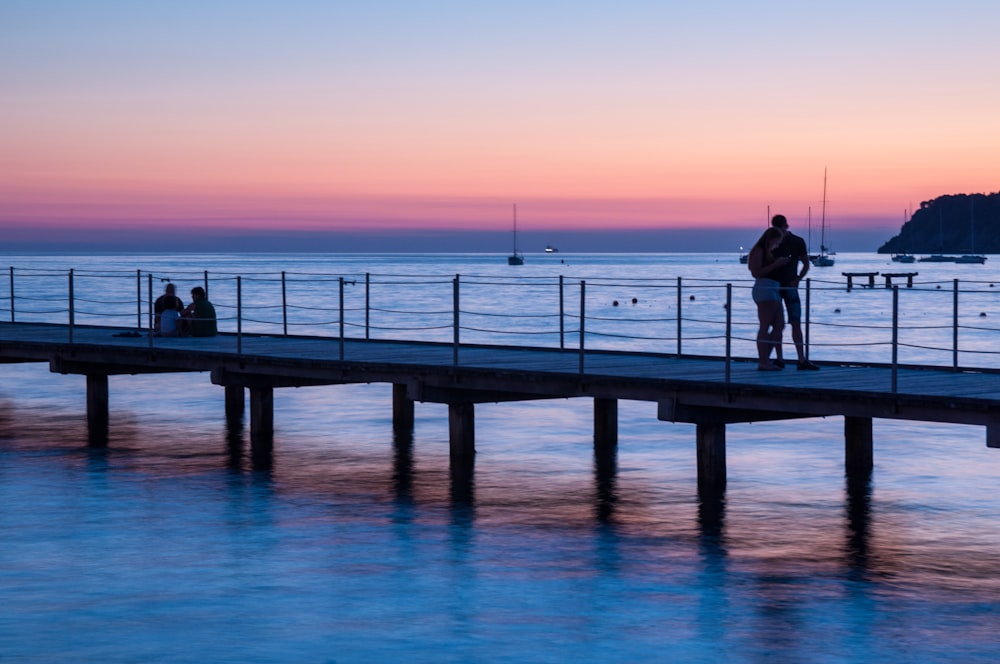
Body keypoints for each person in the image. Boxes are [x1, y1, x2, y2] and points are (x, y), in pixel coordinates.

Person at [770, 214, 820, 370]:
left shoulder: (797, 241)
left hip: (790, 286)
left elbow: (806, 264)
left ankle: (801, 359)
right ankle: (780, 358)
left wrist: (798, 279)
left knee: (795, 323)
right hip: (774, 287)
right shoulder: (771, 241)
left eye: (781, 229)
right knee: (777, 324)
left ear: (786, 226)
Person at [747, 226, 790, 370]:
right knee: (765, 326)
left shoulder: (768, 252)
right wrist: (776, 265)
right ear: (770, 239)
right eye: (776, 241)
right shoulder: (759, 251)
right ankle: (763, 362)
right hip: (764, 289)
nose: (777, 244)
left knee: (780, 325)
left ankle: (765, 358)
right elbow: (757, 272)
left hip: (774, 289)